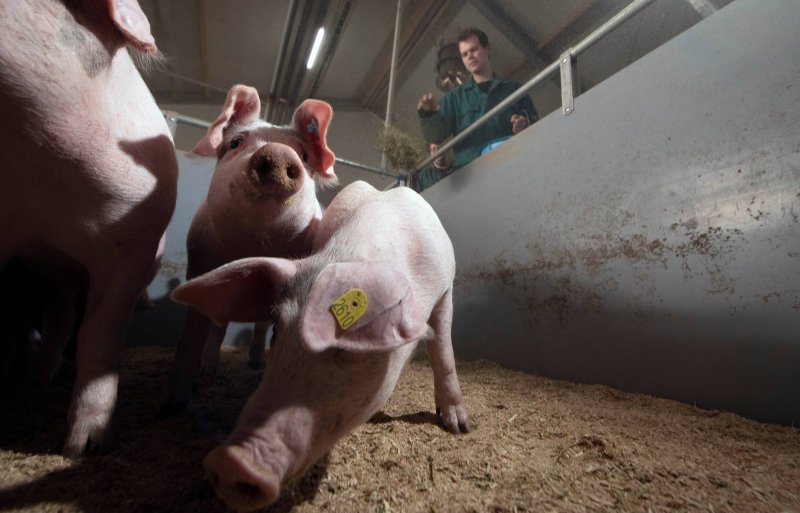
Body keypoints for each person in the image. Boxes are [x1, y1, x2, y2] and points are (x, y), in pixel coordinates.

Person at [414, 27, 538, 191]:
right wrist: (428, 114)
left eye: (473, 50)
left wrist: (524, 122)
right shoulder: (455, 98)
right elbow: (435, 135)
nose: (469, 56)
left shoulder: (512, 89)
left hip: (510, 165)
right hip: (471, 175)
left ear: (487, 49)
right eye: (464, 54)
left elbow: (535, 121)